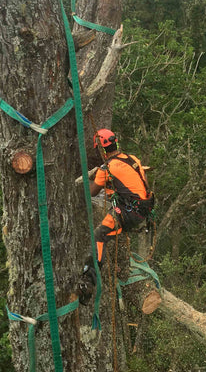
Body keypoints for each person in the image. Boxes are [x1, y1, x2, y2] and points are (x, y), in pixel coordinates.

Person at [78, 128, 155, 305]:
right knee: (113, 231)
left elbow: (92, 192)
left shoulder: (107, 168)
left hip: (129, 212)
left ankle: (88, 283)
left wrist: (83, 186)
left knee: (100, 234)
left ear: (101, 149)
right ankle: (122, 270)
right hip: (143, 210)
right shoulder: (132, 159)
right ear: (116, 143)